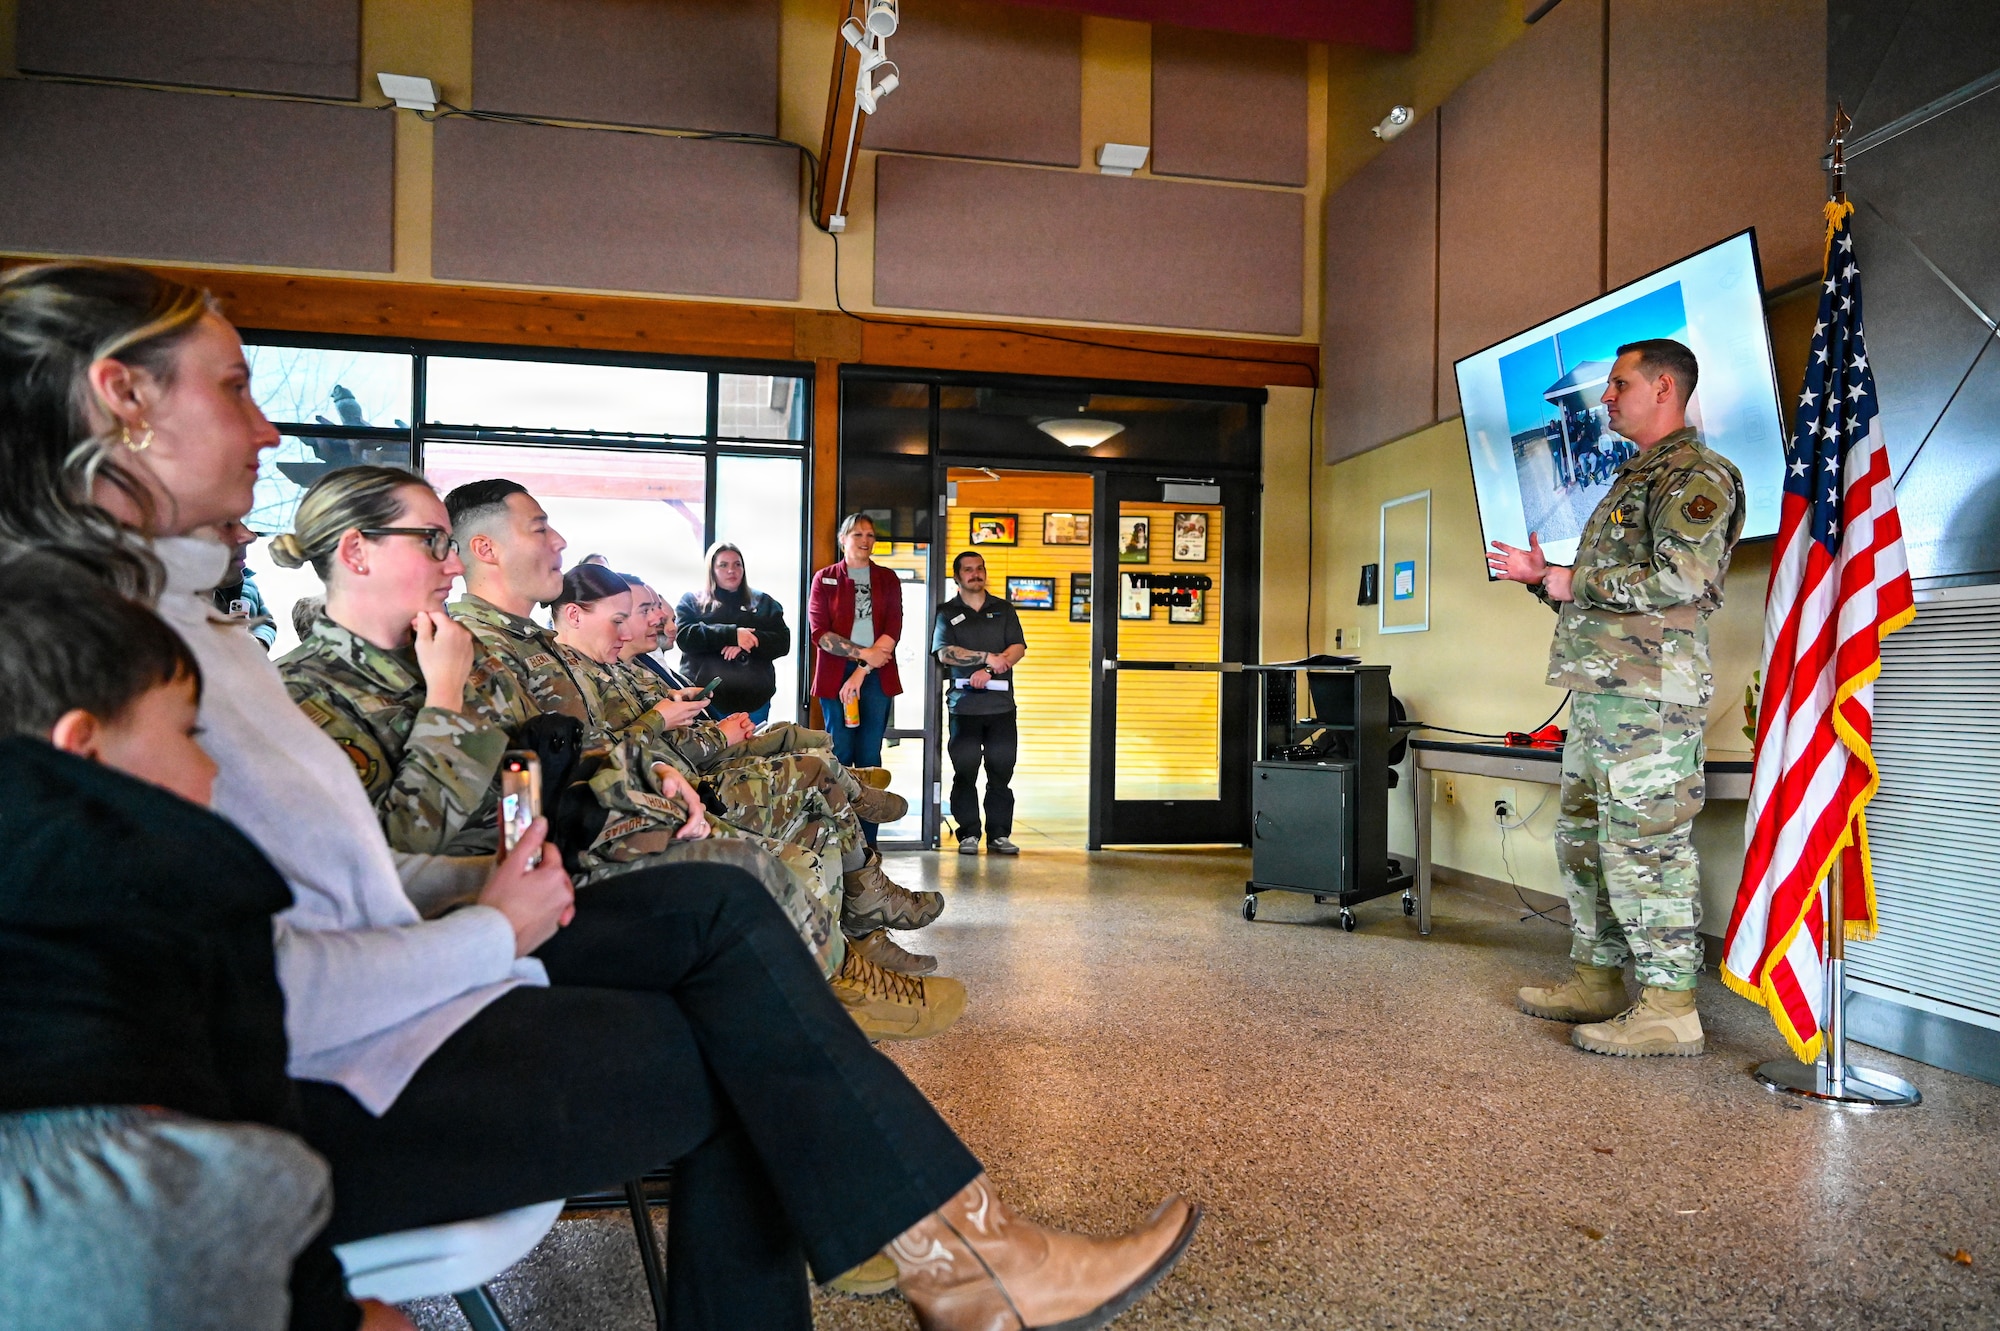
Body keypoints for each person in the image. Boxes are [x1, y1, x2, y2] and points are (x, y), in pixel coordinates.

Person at [0, 257, 1199, 1329]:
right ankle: (970, 1259)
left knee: (722, 917)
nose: (267, 427)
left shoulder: (178, 621)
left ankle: (969, 1257)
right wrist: (491, 919)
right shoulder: (83, 649)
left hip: (409, 970)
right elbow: (248, 978)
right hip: (327, 1062)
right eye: (234, 386)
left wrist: (501, 885)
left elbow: (361, 863)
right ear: (123, 395)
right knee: (745, 1034)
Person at [0, 556, 402, 1331]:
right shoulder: (196, 873)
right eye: (190, 733)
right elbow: (253, 1104)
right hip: (123, 1231)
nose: (211, 765)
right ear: (82, 747)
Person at [1488, 337, 1746, 1058]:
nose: (1605, 397)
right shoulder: (1632, 477)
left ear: (1663, 388)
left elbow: (1684, 578)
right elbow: (1604, 601)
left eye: (1618, 383)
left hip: (1651, 700)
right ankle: (1597, 979)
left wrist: (1573, 579)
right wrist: (1544, 580)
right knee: (1583, 840)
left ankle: (1670, 1008)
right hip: (1600, 694)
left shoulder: (1697, 474)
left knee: (1647, 847)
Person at [808, 513, 903, 845]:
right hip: (836, 675)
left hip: (876, 674)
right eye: (857, 534)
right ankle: (837, 838)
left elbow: (893, 627)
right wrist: (863, 655)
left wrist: (863, 668)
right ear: (843, 539)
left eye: (870, 535)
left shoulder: (888, 578)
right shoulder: (825, 579)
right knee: (840, 752)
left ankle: (868, 842)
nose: (865, 540)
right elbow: (820, 633)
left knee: (869, 755)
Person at [933, 550, 1027, 856]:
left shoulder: (1003, 609)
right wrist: (987, 657)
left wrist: (988, 670)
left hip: (1001, 707)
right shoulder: (947, 612)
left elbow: (1017, 648)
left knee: (1001, 772)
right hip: (964, 707)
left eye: (980, 568)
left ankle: (999, 835)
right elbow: (945, 653)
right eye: (968, 570)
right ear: (957, 577)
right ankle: (969, 834)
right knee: (965, 772)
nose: (976, 574)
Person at [676, 543, 791, 723]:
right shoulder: (692, 601)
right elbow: (685, 636)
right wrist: (732, 635)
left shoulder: (763, 602)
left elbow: (783, 641)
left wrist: (750, 641)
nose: (732, 570)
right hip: (705, 701)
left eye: (737, 564)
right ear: (711, 570)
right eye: (723, 565)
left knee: (753, 743)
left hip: (754, 702)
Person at [212, 517, 277, 649]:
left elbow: (266, 622)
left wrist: (259, 642)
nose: (251, 535)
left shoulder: (248, 584)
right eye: (227, 525)